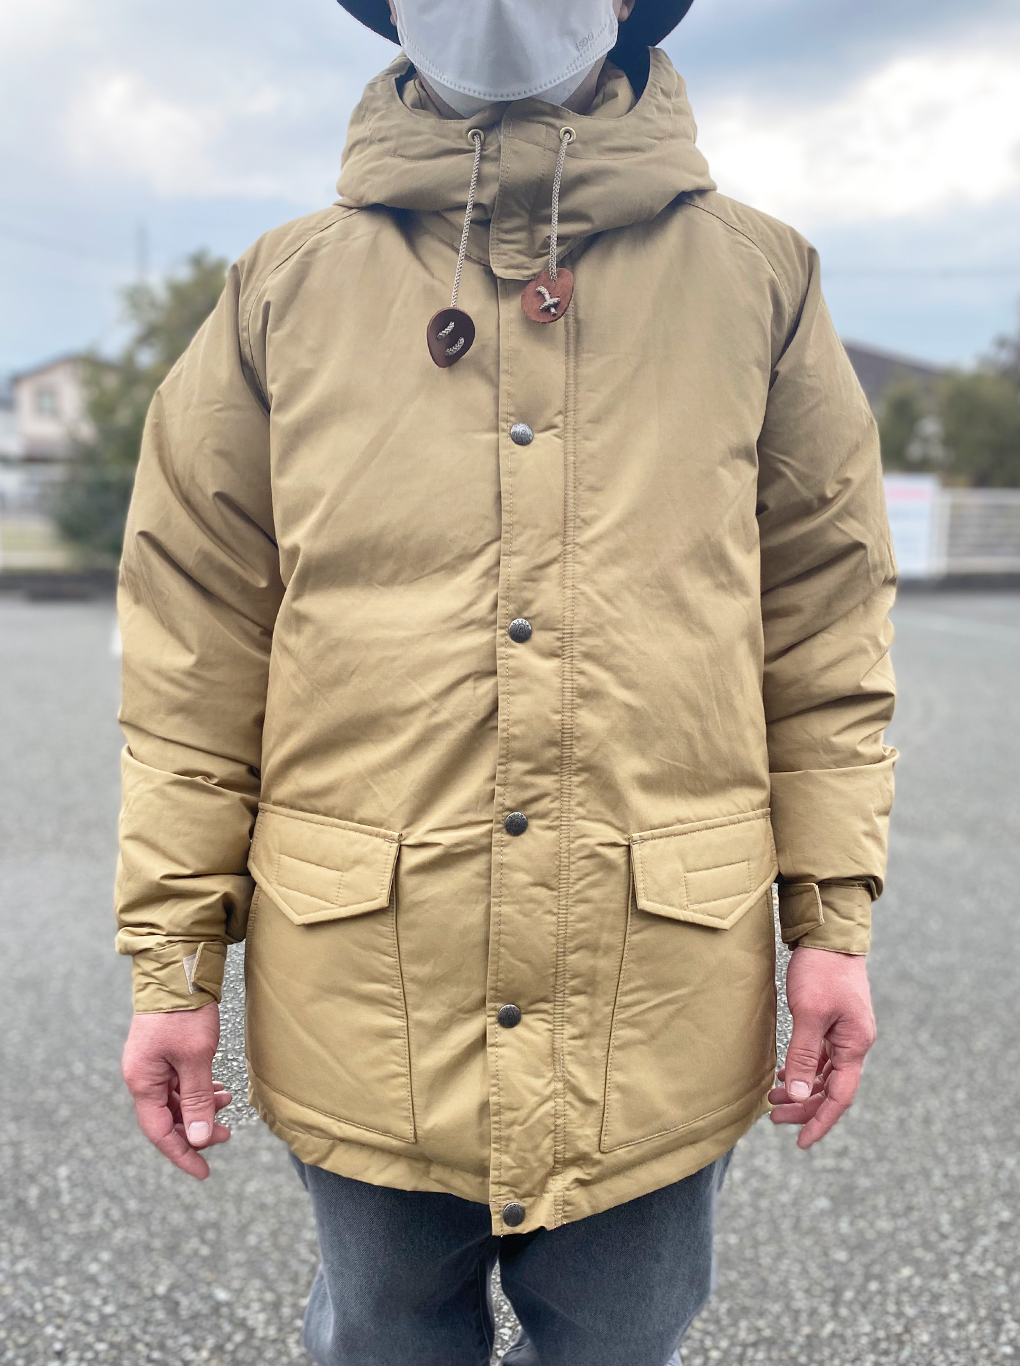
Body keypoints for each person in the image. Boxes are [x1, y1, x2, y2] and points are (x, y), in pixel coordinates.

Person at [117, 0, 896, 1361]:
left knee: (620, 1340)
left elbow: (824, 625)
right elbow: (195, 654)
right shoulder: (282, 291)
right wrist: (171, 964)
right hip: (366, 972)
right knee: (382, 1336)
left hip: (658, 973)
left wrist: (831, 923)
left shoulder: (759, 281)